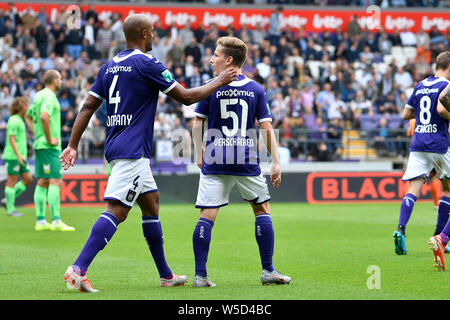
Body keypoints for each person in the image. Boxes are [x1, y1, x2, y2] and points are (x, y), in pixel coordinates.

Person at [59, 14, 238, 293]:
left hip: (121, 146)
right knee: (117, 210)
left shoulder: (109, 67)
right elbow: (187, 97)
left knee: (151, 204)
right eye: (152, 32)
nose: (154, 36)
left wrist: (71, 144)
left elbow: (86, 108)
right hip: (132, 150)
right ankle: (78, 269)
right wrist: (219, 81)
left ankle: (166, 275)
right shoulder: (146, 62)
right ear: (143, 34)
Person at [191, 36, 291, 287]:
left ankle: (200, 276)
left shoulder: (209, 86)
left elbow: (198, 122)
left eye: (215, 54)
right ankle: (268, 270)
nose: (211, 58)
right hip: (245, 158)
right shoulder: (256, 89)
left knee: (208, 214)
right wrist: (275, 162)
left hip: (215, 157)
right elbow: (266, 127)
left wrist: (197, 151)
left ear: (228, 60)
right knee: (261, 209)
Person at [392, 52, 450, 263]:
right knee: (447, 189)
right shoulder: (446, 85)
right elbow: (442, 109)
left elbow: (406, 115)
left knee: (413, 189)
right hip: (441, 144)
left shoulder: (419, 85)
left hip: (418, 143)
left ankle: (400, 228)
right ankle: (440, 236)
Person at [27, 70, 75, 232]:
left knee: (42, 181)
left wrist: (37, 134)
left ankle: (40, 221)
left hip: (40, 145)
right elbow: (43, 116)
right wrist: (47, 138)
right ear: (54, 80)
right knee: (55, 180)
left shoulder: (38, 95)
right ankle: (56, 220)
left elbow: (28, 116)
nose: (61, 81)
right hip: (49, 146)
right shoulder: (49, 96)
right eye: (60, 79)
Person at [2, 97, 33, 217]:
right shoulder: (14, 120)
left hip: (20, 156)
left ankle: (7, 200)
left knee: (28, 178)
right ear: (20, 107)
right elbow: (11, 139)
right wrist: (18, 155)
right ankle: (10, 210)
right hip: (13, 156)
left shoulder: (20, 120)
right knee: (12, 180)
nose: (27, 107)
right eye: (26, 105)